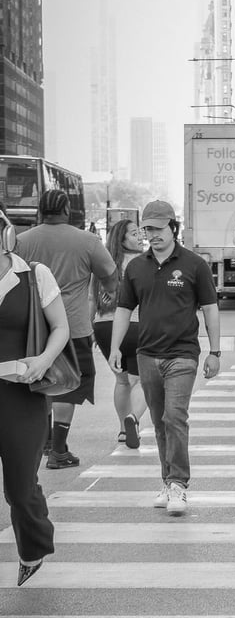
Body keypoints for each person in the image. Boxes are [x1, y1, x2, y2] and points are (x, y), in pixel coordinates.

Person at [109, 200, 220, 517]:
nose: (152, 235)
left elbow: (210, 309)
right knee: (158, 423)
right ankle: (167, 482)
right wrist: (116, 347)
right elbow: (123, 310)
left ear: (174, 227)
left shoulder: (194, 265)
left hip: (183, 355)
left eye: (158, 229)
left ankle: (179, 485)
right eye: (148, 229)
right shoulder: (136, 268)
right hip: (147, 354)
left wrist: (215, 351)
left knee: (175, 417)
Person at [16, 189, 117, 469]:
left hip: (32, 329)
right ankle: (59, 450)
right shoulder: (87, 240)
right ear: (67, 211)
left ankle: (45, 442)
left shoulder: (21, 241)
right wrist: (108, 293)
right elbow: (109, 274)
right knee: (67, 387)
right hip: (73, 327)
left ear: (40, 211)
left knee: (39, 384)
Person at [0, 199, 69, 586]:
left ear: (5, 233)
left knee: (21, 488)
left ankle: (34, 546)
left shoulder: (34, 275)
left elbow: (59, 326)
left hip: (21, 397)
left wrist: (42, 361)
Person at [92, 218, 147, 448]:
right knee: (141, 380)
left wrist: (89, 330)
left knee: (122, 381)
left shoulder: (104, 263)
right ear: (122, 239)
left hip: (103, 326)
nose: (141, 237)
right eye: (135, 234)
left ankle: (123, 431)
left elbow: (91, 297)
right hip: (133, 325)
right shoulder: (143, 262)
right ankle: (132, 419)